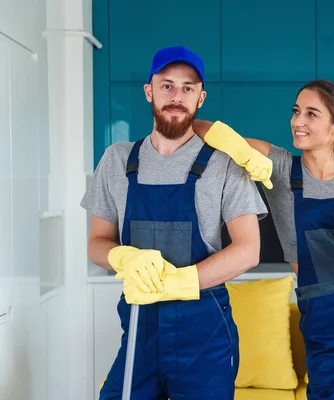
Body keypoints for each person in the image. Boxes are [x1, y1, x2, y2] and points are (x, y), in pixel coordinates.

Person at [194, 79, 334, 400]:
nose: (297, 121)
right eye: (296, 111)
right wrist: (241, 151)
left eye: (311, 114)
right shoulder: (280, 166)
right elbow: (199, 126)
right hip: (326, 316)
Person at [81, 45, 269, 400]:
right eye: (166, 85)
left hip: (205, 337)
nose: (176, 96)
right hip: (140, 328)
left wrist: (178, 283)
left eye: (187, 87)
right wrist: (124, 257)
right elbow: (97, 242)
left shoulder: (224, 163)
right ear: (149, 91)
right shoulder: (117, 160)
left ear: (201, 98)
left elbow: (248, 250)